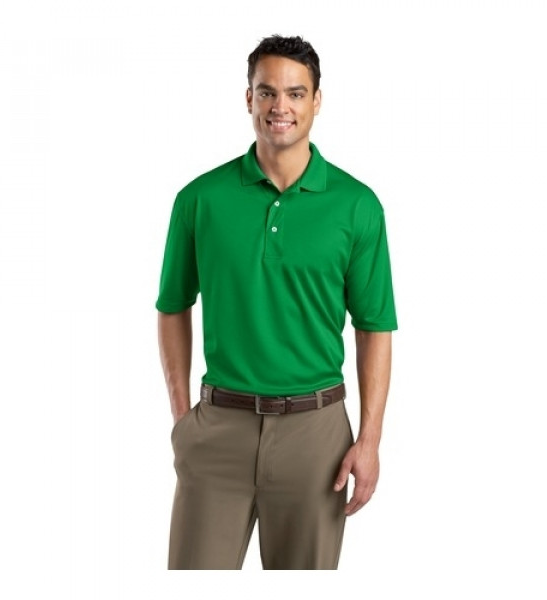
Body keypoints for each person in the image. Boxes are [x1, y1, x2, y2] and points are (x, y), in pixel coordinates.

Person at [156, 34, 398, 570]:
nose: (279, 106)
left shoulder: (357, 206)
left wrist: (370, 440)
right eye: (266, 92)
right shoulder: (199, 199)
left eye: (295, 93)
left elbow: (374, 326)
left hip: (317, 438)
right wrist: (182, 418)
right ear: (249, 99)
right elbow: (172, 305)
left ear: (317, 100)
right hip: (218, 429)